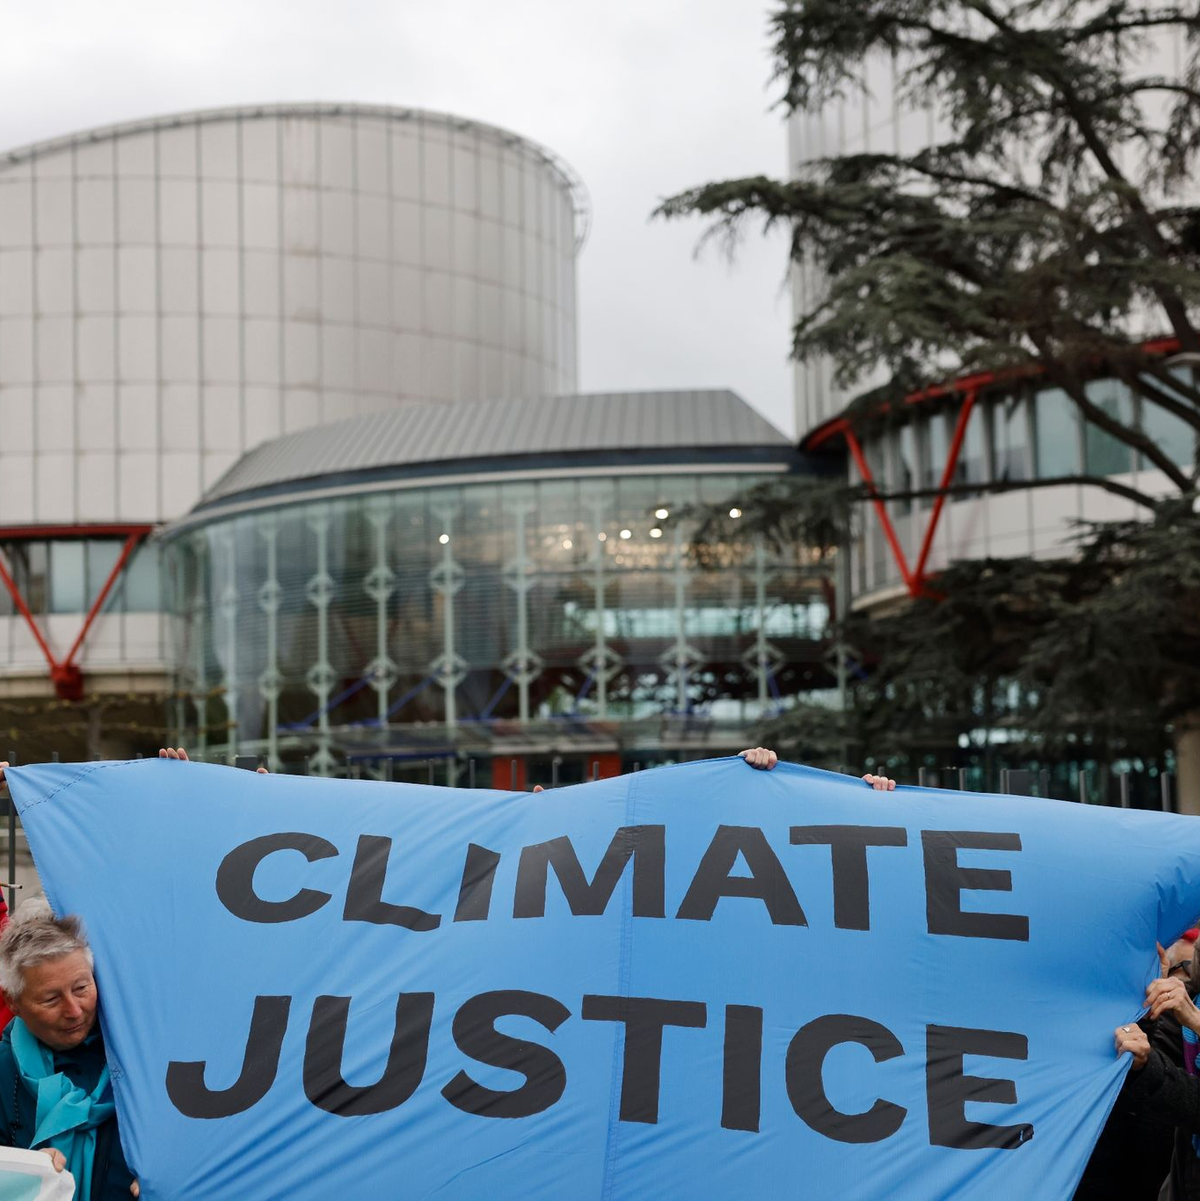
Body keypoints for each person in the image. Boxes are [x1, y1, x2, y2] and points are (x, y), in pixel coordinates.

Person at [0, 898, 137, 1199]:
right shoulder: (3, 1071)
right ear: (13, 1001)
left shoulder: (140, 1053)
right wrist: (21, 1174)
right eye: (51, 999)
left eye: (81, 988)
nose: (74, 1011)